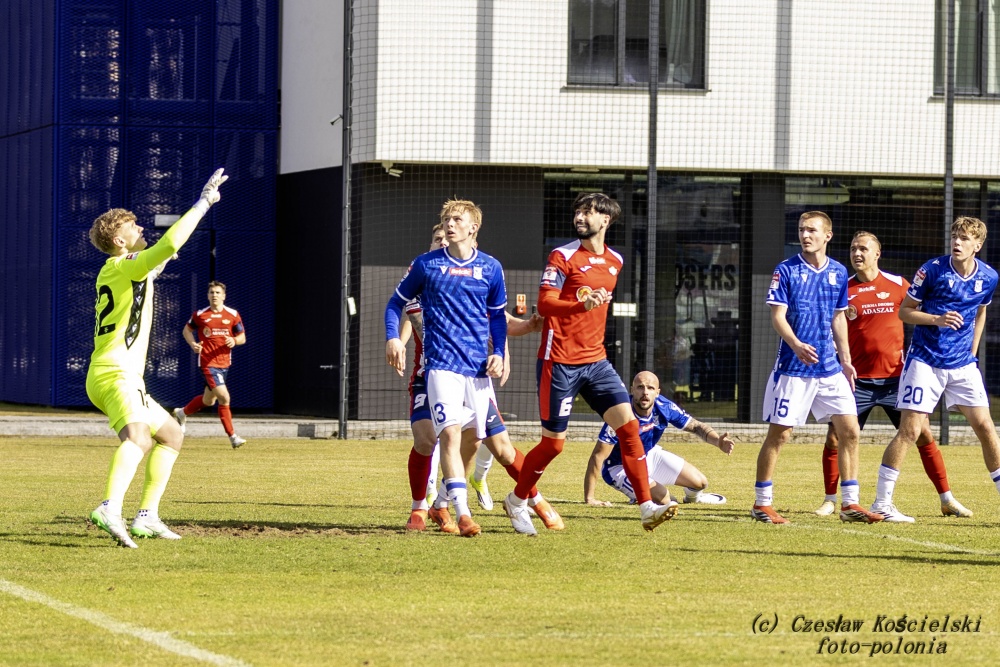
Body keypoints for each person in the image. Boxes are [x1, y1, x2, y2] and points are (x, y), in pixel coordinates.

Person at [502, 192, 678, 535]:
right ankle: (517, 499)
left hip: (596, 361)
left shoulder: (616, 261)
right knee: (553, 445)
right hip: (559, 361)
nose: (580, 217)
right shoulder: (562, 256)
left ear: (605, 220)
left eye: (588, 212)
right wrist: (580, 306)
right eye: (578, 212)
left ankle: (646, 507)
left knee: (629, 429)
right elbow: (546, 303)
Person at [86, 168, 228, 548]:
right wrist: (203, 202)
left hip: (112, 373)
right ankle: (109, 507)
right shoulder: (123, 264)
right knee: (138, 438)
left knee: (171, 434)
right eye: (132, 226)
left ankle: (146, 517)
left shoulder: (117, 269)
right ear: (119, 240)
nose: (140, 227)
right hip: (116, 373)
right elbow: (168, 244)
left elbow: (148, 270)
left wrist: (158, 261)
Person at [395, 222, 555, 534]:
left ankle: (532, 498)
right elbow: (406, 322)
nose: (444, 241)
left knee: (500, 446)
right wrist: (398, 344)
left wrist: (525, 330)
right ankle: (420, 507)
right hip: (431, 376)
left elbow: (500, 319)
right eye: (437, 238)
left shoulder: (474, 277)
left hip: (472, 375)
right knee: (427, 440)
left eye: (447, 237)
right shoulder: (421, 280)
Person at [817, 232, 971, 518]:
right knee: (835, 437)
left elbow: (919, 312)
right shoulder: (843, 288)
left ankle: (947, 498)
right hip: (856, 381)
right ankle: (830, 500)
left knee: (922, 433)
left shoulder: (898, 284)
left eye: (863, 249)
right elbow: (831, 326)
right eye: (853, 249)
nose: (857, 253)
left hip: (896, 380)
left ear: (877, 253)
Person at [385, 198, 509, 537]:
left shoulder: (491, 268)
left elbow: (497, 317)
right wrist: (393, 338)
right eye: (446, 219)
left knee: (475, 438)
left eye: (457, 219)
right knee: (446, 435)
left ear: (473, 227)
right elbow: (396, 303)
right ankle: (462, 513)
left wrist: (500, 352)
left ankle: (441, 502)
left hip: (477, 369)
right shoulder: (426, 265)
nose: (450, 224)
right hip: (439, 366)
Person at [752, 211, 883, 525]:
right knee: (780, 435)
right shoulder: (786, 270)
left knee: (850, 431)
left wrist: (846, 361)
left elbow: (839, 318)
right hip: (793, 369)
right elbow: (777, 317)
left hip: (830, 369)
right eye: (801, 230)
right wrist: (796, 344)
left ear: (828, 235)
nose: (805, 235)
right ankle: (761, 503)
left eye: (812, 230)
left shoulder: (838, 272)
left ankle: (850, 503)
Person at [871, 216, 1000, 523]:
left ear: (978, 245)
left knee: (986, 428)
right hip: (925, 361)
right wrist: (937, 320)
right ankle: (881, 504)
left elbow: (980, 312)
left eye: (965, 238)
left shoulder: (989, 277)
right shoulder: (931, 270)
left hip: (962, 365)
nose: (957, 242)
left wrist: (972, 352)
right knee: (910, 431)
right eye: (955, 236)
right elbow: (905, 312)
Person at [584, 371, 733, 507]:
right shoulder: (620, 414)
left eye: (650, 388)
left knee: (700, 483)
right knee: (666, 500)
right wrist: (590, 498)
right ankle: (643, 494)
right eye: (640, 387)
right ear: (632, 390)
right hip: (619, 467)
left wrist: (717, 441)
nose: (645, 392)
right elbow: (598, 456)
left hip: (649, 454)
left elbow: (695, 426)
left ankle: (693, 499)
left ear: (657, 392)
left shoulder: (664, 406)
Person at [173, 281, 248, 448]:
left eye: (218, 292)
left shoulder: (232, 314)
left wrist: (234, 340)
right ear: (207, 296)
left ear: (224, 296)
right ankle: (233, 437)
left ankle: (181, 413)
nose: (214, 295)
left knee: (209, 400)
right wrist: (193, 344)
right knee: (224, 397)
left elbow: (242, 337)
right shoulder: (200, 315)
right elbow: (186, 330)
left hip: (224, 364)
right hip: (208, 363)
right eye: (212, 292)